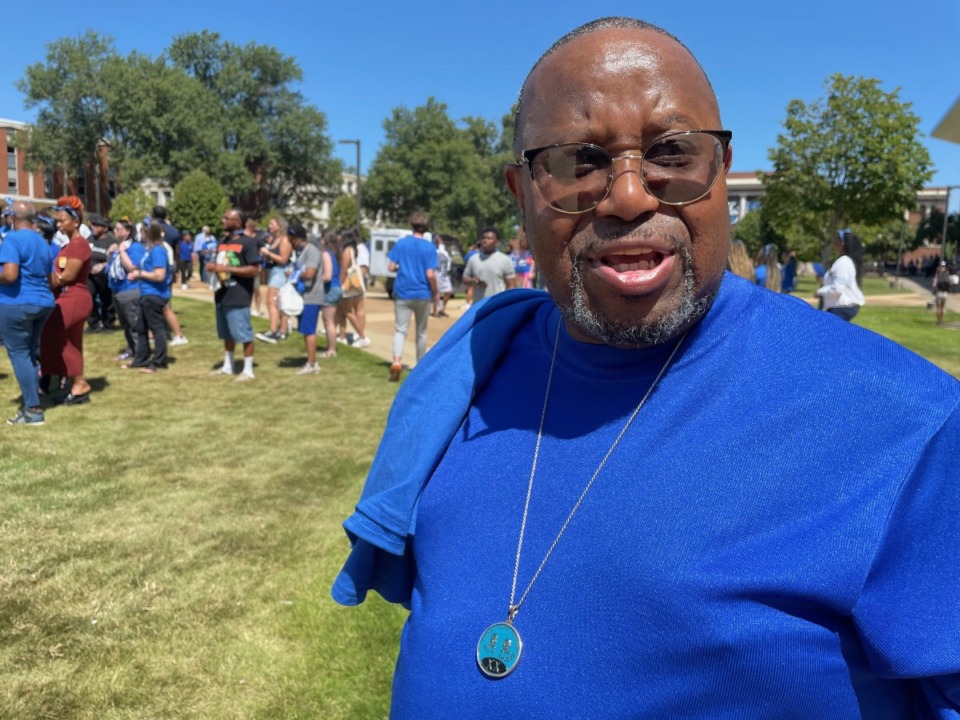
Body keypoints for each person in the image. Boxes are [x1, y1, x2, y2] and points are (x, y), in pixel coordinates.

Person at [332, 18, 960, 718]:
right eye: (580, 162)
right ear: (521, 192)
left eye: (671, 152)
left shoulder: (906, 423)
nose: (629, 196)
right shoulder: (474, 373)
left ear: (720, 170)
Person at [0, 201, 55, 425]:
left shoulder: (12, 239)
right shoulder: (42, 241)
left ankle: (33, 409)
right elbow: (51, 278)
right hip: (43, 302)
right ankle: (33, 398)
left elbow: (10, 275)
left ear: (12, 218)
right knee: (29, 354)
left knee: (20, 354)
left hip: (17, 303)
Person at [40, 195, 93, 405]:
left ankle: (78, 382)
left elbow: (68, 276)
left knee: (59, 338)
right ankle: (74, 382)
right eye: (57, 221)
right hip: (68, 297)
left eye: (62, 220)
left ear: (76, 221)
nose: (58, 224)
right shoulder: (69, 246)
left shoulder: (79, 245)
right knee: (70, 341)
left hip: (73, 296)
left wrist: (45, 274)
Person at [206, 208, 260, 381]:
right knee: (227, 333)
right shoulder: (224, 241)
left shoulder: (248, 243)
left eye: (227, 218)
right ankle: (228, 366)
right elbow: (220, 262)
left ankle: (248, 370)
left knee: (243, 333)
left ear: (238, 222)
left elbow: (254, 269)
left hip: (239, 294)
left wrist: (226, 268)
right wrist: (213, 266)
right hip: (222, 293)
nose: (223, 221)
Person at [386, 211, 438, 381]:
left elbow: (391, 267)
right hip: (422, 293)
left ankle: (396, 361)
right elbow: (430, 274)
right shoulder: (430, 247)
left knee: (401, 329)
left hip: (403, 291)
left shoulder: (401, 244)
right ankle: (420, 365)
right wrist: (436, 292)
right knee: (421, 332)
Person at [122, 222, 170, 373]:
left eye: (143, 231)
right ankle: (141, 359)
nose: (141, 234)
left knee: (157, 329)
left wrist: (139, 274)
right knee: (141, 328)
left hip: (155, 295)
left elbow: (159, 275)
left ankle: (159, 362)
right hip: (146, 293)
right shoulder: (150, 250)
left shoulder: (158, 251)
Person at [109, 218, 145, 362]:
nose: (115, 231)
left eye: (118, 229)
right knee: (125, 324)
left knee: (134, 324)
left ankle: (140, 353)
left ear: (128, 231)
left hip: (130, 289)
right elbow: (113, 267)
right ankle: (131, 350)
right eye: (115, 229)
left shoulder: (135, 247)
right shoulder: (118, 246)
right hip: (117, 289)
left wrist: (122, 252)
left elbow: (132, 268)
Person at [255, 216, 293, 344]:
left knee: (271, 302)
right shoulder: (274, 239)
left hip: (280, 272)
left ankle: (273, 331)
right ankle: (282, 330)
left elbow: (283, 259)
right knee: (279, 303)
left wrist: (268, 253)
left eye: (272, 223)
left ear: (279, 225)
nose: (269, 225)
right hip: (274, 271)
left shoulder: (284, 240)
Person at [290, 225, 323, 374]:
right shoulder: (304, 251)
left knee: (309, 330)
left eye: (292, 240)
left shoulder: (312, 251)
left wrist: (295, 275)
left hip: (312, 296)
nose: (292, 243)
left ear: (299, 238)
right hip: (304, 296)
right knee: (305, 330)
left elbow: (310, 273)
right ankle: (310, 361)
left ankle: (312, 363)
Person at [817, 231, 865, 321]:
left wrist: (819, 292)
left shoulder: (843, 262)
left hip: (840, 308)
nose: (835, 243)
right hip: (841, 307)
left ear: (842, 243)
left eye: (837, 240)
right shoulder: (846, 261)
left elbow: (838, 289)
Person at [462, 227, 516, 302]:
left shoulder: (505, 260)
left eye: (489, 238)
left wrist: (506, 302)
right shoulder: (473, 259)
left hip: (497, 305)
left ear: (497, 242)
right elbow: (465, 279)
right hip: (478, 305)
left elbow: (511, 285)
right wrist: (474, 281)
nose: (485, 240)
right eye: (483, 238)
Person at [336, 230, 370, 347]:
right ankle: (342, 335)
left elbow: (344, 270)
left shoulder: (347, 251)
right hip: (354, 283)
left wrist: (339, 284)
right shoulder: (355, 249)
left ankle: (362, 336)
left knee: (347, 311)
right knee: (343, 310)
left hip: (348, 284)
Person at [85, 213, 116, 331]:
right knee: (88, 297)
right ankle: (93, 323)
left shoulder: (111, 241)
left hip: (105, 276)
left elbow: (114, 259)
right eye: (93, 225)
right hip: (90, 276)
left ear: (105, 228)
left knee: (107, 300)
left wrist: (103, 265)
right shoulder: (90, 239)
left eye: (97, 226)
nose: (94, 228)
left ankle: (108, 323)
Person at [318, 230, 342, 359]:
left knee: (329, 322)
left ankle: (331, 349)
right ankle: (331, 347)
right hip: (337, 288)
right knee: (330, 321)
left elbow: (327, 276)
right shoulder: (336, 254)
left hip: (330, 289)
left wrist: (316, 279)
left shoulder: (326, 254)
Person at [432, 234, 453, 317]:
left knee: (449, 291)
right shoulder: (436, 252)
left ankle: (441, 309)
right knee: (437, 292)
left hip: (445, 273)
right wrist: (439, 242)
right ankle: (435, 311)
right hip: (437, 272)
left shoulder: (444, 252)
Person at [933, 260, 951, 325]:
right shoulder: (947, 273)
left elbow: (934, 284)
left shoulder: (937, 273)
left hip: (939, 292)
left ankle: (938, 321)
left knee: (938, 307)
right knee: (942, 307)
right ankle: (941, 320)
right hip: (945, 293)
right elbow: (949, 282)